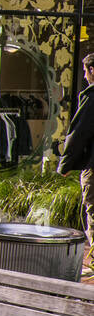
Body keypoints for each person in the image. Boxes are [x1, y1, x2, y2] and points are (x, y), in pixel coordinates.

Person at [58, 52, 94, 266]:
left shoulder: (92, 96)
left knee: (93, 209)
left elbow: (79, 132)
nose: (84, 76)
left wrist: (65, 164)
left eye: (85, 71)